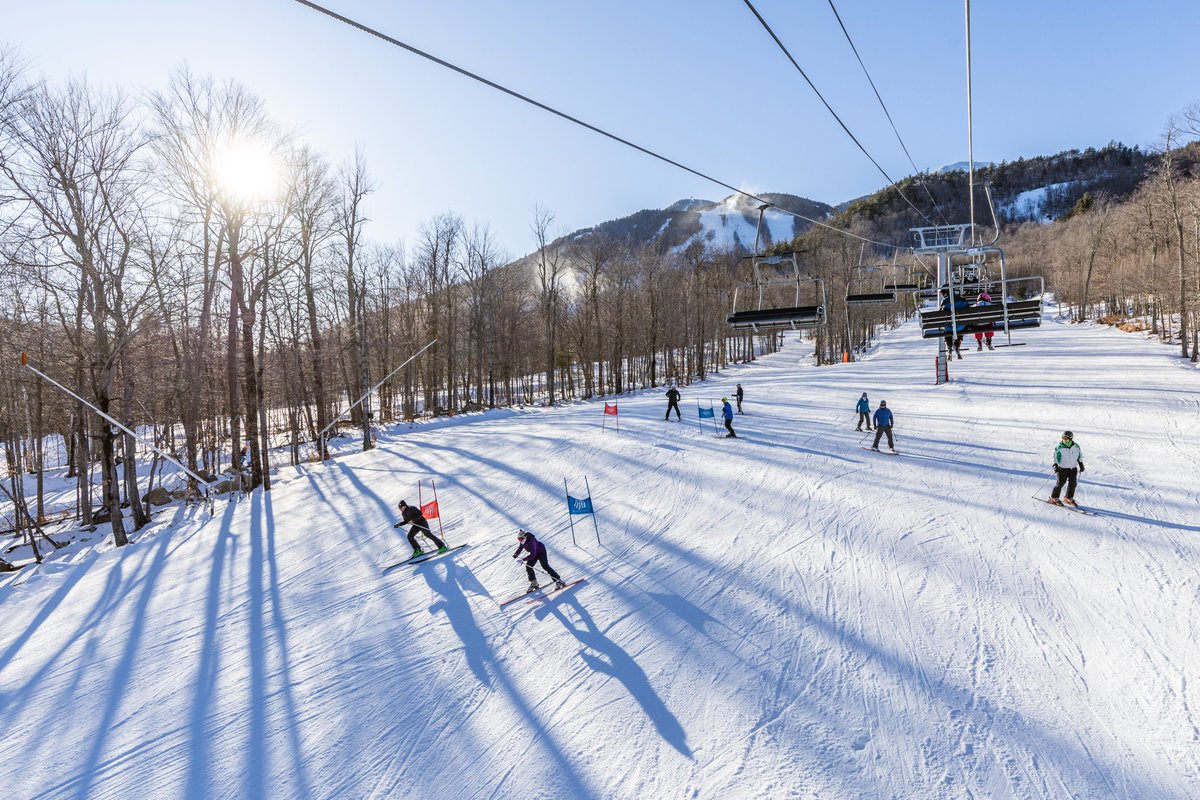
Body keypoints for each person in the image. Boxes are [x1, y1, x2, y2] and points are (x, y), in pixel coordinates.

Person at [1049, 431, 1084, 506]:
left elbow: (1079, 455)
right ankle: (1054, 498)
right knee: (1060, 483)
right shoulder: (1059, 446)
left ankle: (1068, 497)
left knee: (1073, 484)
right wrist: (1055, 465)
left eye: (1066, 437)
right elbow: (1055, 456)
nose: (1064, 439)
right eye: (1063, 437)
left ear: (1071, 438)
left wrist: (1081, 464)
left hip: (1073, 468)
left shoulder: (1076, 446)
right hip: (1062, 468)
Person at [940, 289, 968, 359]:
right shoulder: (963, 300)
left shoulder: (945, 302)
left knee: (946, 328)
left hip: (949, 327)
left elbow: (941, 316)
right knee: (961, 326)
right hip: (961, 327)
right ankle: (957, 345)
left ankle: (949, 347)